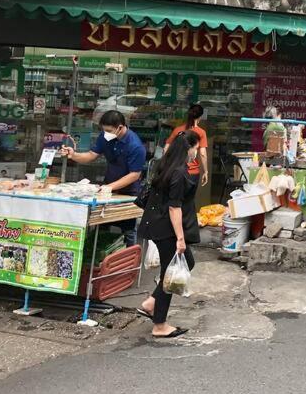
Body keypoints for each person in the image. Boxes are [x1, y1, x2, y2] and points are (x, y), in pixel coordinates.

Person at [136, 131, 200, 338]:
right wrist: (180, 238)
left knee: (186, 263)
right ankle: (160, 325)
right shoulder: (179, 172)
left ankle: (151, 303)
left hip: (155, 224)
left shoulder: (164, 165)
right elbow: (174, 207)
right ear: (188, 149)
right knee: (168, 274)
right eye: (196, 148)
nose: (197, 152)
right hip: (165, 228)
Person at [60, 110, 146, 245]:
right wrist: (73, 155)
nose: (106, 133)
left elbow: (134, 175)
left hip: (128, 192)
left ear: (120, 127)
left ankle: (130, 256)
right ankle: (99, 254)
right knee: (102, 225)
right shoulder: (106, 137)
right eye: (104, 130)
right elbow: (91, 155)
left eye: (109, 130)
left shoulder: (135, 146)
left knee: (128, 229)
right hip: (107, 190)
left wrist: (110, 187)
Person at [165, 103, 208, 189]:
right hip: (192, 172)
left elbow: (166, 149)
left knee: (174, 196)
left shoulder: (178, 130)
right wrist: (206, 171)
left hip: (175, 170)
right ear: (200, 117)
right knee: (189, 197)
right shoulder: (201, 132)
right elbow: (203, 154)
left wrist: (167, 166)